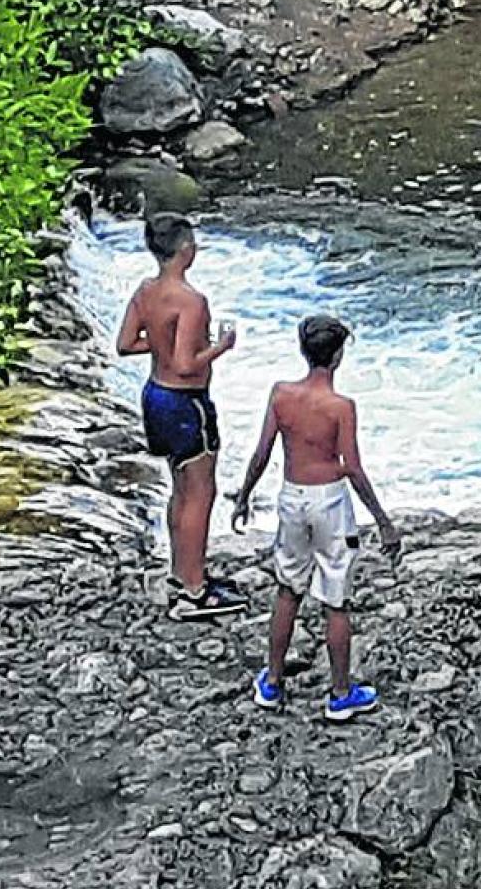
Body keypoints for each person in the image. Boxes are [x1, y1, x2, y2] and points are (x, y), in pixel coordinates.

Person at [232, 314, 401, 723]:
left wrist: (243, 496)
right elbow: (353, 468)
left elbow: (262, 453)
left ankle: (271, 682)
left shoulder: (281, 394)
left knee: (288, 590)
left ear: (303, 351)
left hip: (292, 498)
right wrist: (381, 520)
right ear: (338, 356)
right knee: (336, 601)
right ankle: (341, 693)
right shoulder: (341, 407)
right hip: (330, 502)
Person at [115, 213, 244, 620]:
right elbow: (188, 365)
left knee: (179, 487)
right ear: (186, 250)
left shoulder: (146, 291)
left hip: (155, 396)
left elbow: (125, 344)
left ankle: (180, 573)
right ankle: (194, 590)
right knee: (200, 493)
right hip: (186, 401)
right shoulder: (191, 300)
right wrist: (220, 347)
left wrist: (162, 347)